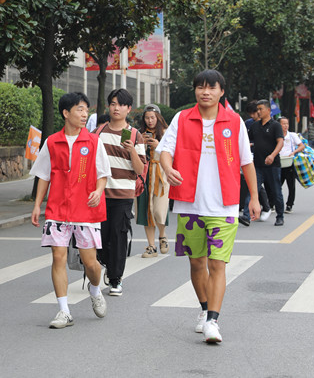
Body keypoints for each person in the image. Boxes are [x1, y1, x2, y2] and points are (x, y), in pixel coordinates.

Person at [158, 69, 260, 344]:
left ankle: (213, 321)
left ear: (221, 91)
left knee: (218, 264)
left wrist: (254, 197)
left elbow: (246, 161)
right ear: (195, 91)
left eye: (211, 87)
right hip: (189, 204)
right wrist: (167, 168)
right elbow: (164, 151)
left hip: (224, 206)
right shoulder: (182, 118)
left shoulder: (234, 122)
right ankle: (204, 310)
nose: (206, 92)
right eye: (201, 87)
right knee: (196, 263)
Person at [31, 92, 111, 329]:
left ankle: (95, 289)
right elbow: (44, 175)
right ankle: (64, 311)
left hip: (85, 209)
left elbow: (103, 174)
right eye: (79, 109)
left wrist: (98, 191)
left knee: (90, 264)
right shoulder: (52, 142)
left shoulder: (94, 142)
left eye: (86, 109)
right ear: (66, 113)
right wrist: (37, 205)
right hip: (57, 209)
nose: (84, 114)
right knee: (58, 257)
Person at [96, 89, 146, 296]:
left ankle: (116, 278)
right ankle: (107, 264)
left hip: (123, 195)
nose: (116, 108)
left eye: (121, 104)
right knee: (100, 238)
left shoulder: (135, 135)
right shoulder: (98, 133)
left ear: (128, 109)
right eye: (113, 104)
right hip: (100, 194)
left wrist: (131, 150)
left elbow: (140, 169)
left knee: (118, 237)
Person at [137, 104, 170, 258]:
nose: (150, 121)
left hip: (160, 175)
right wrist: (141, 145)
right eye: (147, 118)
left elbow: (173, 154)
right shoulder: (139, 134)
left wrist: (159, 146)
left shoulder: (166, 133)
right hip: (144, 175)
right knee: (146, 210)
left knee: (159, 209)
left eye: (152, 117)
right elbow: (134, 156)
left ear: (158, 118)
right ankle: (151, 246)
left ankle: (162, 235)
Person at [247, 100, 285, 226]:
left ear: (268, 110)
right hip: (257, 165)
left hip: (272, 165)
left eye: (261, 109)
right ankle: (246, 216)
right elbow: (247, 141)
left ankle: (280, 216)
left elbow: (280, 142)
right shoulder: (254, 126)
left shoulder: (275, 125)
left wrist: (272, 155)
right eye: (257, 109)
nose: (258, 111)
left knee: (276, 191)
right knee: (253, 189)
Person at [278, 116, 304, 214]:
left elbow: (302, 146)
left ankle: (289, 205)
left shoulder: (292, 135)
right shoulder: (276, 135)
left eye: (287, 123)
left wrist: (294, 152)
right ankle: (272, 204)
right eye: (283, 123)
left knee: (291, 186)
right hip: (278, 163)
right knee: (276, 185)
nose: (285, 126)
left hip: (289, 164)